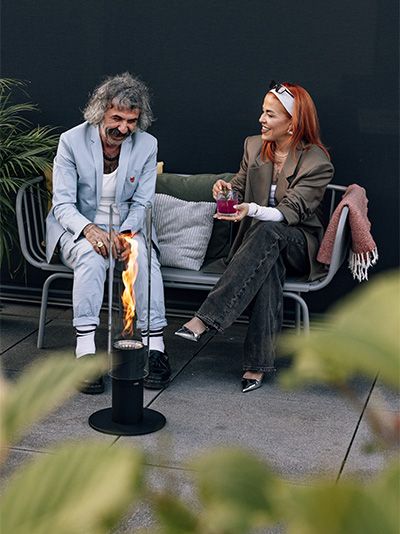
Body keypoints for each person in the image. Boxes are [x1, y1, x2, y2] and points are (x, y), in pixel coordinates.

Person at [175, 81, 334, 393]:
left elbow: (290, 211)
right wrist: (226, 190)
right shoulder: (253, 146)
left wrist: (252, 210)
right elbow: (239, 184)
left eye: (270, 115)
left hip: (298, 243)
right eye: (263, 112)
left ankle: (206, 318)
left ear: (293, 123)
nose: (261, 119)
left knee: (269, 230)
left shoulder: (317, 161)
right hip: (261, 249)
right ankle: (257, 365)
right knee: (268, 265)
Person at [46, 72, 170, 394]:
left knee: (143, 258)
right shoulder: (71, 141)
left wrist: (126, 233)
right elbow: (63, 204)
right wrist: (89, 230)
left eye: (131, 121)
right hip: (79, 227)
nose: (124, 128)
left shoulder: (147, 145)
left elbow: (143, 202)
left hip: (128, 225)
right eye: (117, 118)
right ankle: (86, 351)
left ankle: (155, 348)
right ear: (100, 112)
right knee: (90, 258)